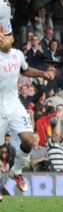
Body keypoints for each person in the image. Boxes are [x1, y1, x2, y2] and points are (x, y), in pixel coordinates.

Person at [0, 34, 54, 199]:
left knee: (29, 140)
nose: (1, 37)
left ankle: (16, 171)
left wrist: (41, 74)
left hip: (14, 103)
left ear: (12, 39)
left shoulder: (17, 55)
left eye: (4, 35)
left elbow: (24, 70)